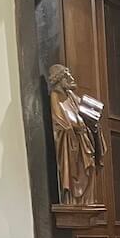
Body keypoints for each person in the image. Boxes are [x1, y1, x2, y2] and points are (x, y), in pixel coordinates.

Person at [48, 65, 107, 204]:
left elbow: (87, 112)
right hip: (73, 144)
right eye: (67, 77)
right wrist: (77, 126)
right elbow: (60, 120)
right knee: (79, 172)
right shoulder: (56, 96)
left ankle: (87, 200)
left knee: (90, 168)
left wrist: (92, 120)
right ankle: (74, 202)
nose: (71, 79)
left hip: (84, 141)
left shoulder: (71, 96)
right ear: (59, 79)